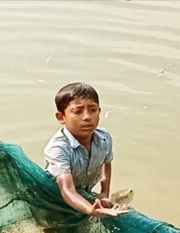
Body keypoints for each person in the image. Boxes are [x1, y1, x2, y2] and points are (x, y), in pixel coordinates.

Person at [43, 82, 127, 217]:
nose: (87, 117)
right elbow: (67, 189)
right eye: (78, 111)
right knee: (56, 229)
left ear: (99, 111)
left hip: (83, 193)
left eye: (93, 110)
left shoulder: (104, 138)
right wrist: (90, 210)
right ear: (61, 117)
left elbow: (107, 163)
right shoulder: (58, 148)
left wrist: (104, 192)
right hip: (54, 199)